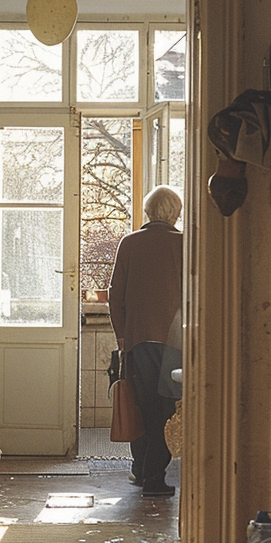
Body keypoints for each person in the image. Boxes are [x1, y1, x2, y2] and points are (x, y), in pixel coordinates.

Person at [108, 186, 184, 497]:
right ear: (175, 213)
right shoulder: (184, 244)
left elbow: (116, 294)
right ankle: (154, 478)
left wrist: (122, 335)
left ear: (148, 211)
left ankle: (140, 470)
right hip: (173, 340)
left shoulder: (129, 243)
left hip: (136, 339)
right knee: (165, 410)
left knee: (140, 406)